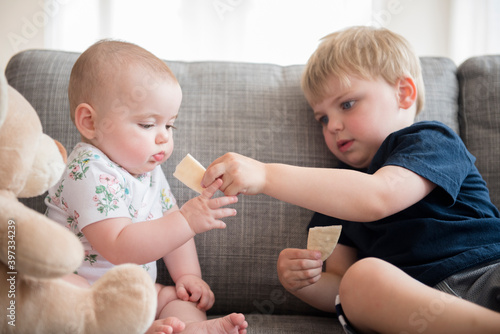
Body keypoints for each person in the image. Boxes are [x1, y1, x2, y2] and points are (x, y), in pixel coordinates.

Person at [201, 26, 500, 333]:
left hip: (485, 272)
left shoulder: (430, 140)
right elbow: (339, 288)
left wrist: (265, 175)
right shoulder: (332, 194)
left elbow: (377, 197)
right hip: (414, 310)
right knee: (358, 281)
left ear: (404, 93)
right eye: (323, 118)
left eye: (346, 104)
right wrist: (305, 282)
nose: (332, 126)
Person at [45, 40, 248, 334]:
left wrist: (188, 276)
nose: (164, 138)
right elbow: (119, 246)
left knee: (174, 299)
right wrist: (186, 221)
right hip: (88, 290)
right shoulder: (86, 169)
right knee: (60, 292)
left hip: (135, 292)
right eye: (147, 124)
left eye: (170, 125)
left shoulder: (149, 170)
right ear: (90, 122)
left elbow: (170, 218)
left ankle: (191, 328)